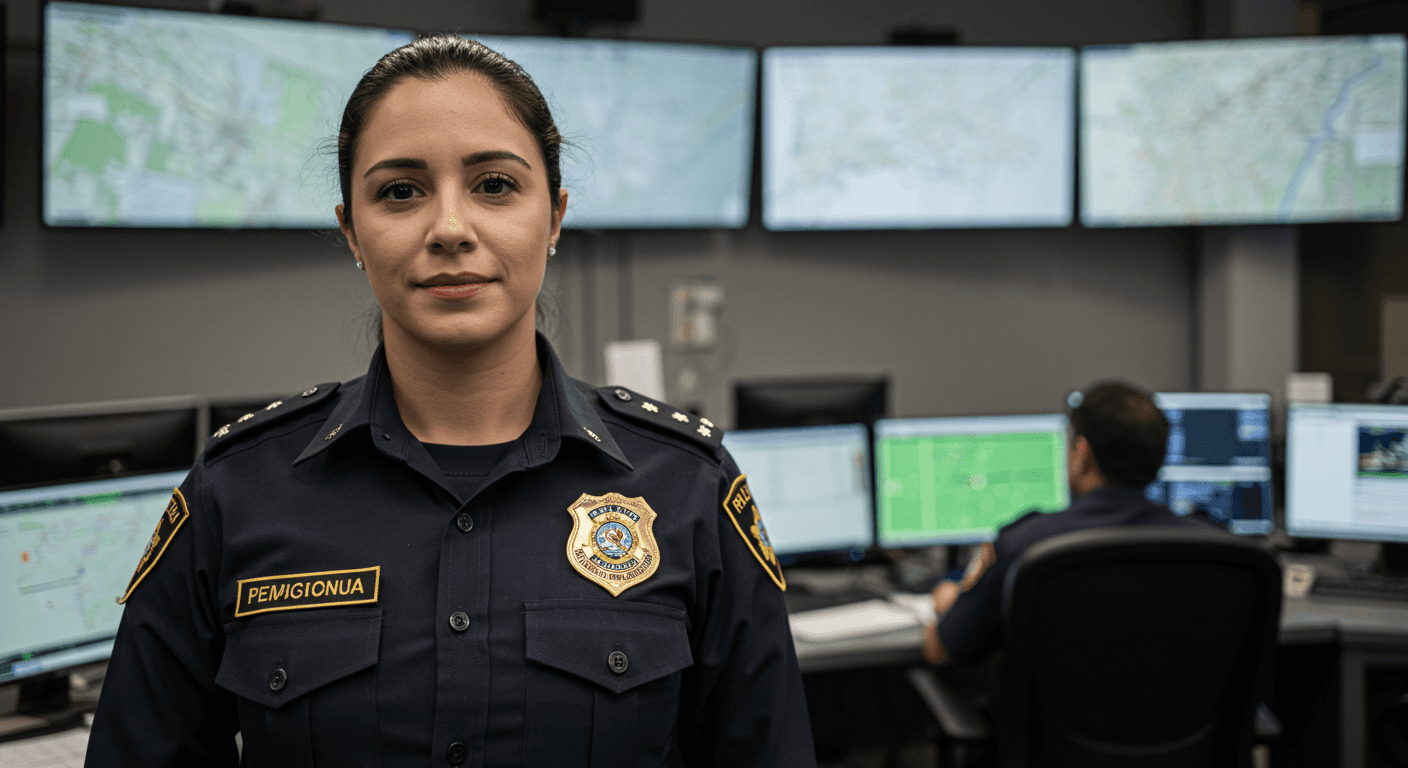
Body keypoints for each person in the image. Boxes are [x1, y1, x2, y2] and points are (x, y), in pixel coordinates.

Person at [85, 34, 814, 767]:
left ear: (554, 217)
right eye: (400, 191)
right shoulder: (237, 493)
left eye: (495, 185)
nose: (450, 230)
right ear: (353, 233)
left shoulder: (689, 487)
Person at [922, 381, 1218, 667]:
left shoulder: (1026, 543)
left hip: (1049, 719)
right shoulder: (1214, 550)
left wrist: (952, 596)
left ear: (1082, 453)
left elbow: (942, 651)